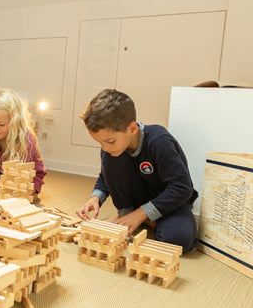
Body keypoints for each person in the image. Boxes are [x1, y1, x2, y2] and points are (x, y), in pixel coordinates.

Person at [76, 89, 198, 253]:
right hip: (135, 201)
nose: (105, 148)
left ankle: (141, 219)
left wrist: (141, 214)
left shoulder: (159, 141)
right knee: (111, 157)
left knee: (178, 239)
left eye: (110, 141)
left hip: (168, 203)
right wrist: (95, 198)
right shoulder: (111, 149)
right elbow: (106, 177)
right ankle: (129, 215)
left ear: (132, 128)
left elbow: (182, 188)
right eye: (100, 143)